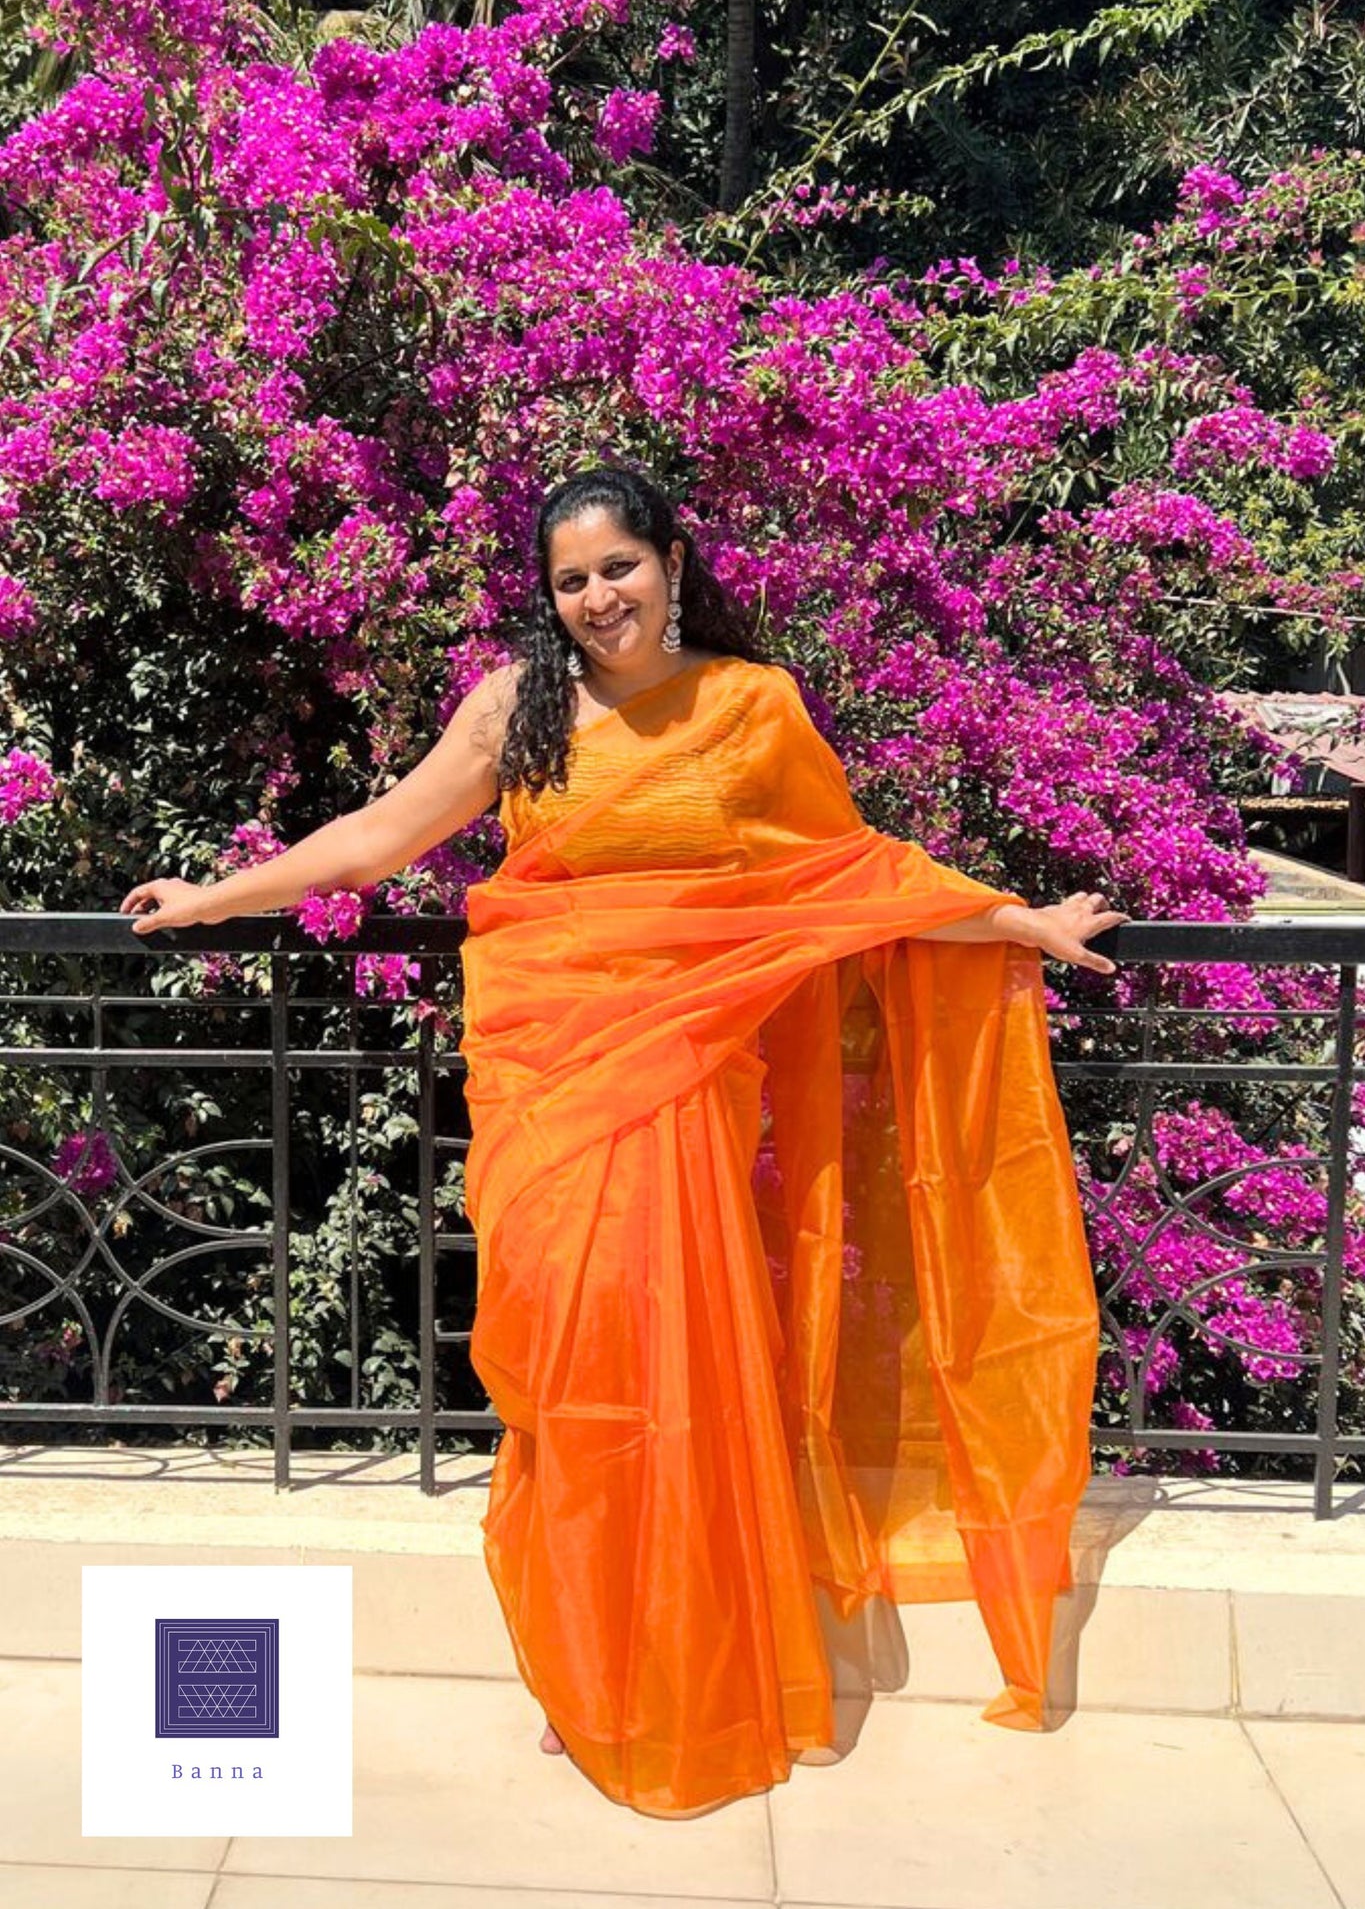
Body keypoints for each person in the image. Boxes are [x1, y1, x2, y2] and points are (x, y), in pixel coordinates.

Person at [122, 459, 1123, 1820]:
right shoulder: (516, 707)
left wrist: (1016, 923)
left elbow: (847, 873)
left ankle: (676, 1660)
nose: (599, 598)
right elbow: (380, 836)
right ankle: (587, 1655)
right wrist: (214, 898)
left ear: (671, 563)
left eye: (619, 567)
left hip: (684, 1079)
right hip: (545, 1083)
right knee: (568, 1363)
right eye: (571, 580)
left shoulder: (750, 705)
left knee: (675, 1365)